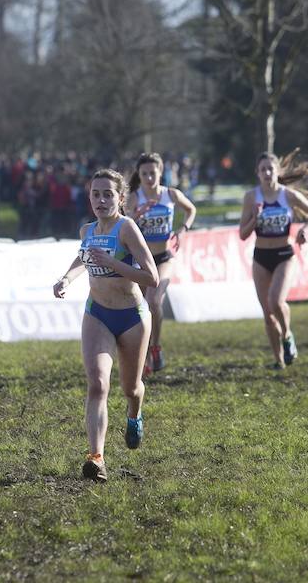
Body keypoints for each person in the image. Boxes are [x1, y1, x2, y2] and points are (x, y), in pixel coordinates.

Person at [53, 168, 159, 482]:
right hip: (97, 313)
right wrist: (65, 279)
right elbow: (83, 259)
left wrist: (112, 263)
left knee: (131, 388)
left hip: (132, 318)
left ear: (120, 198)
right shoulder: (87, 230)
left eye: (107, 194)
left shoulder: (127, 229)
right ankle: (96, 458)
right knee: (98, 384)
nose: (100, 199)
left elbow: (151, 277)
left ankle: (135, 413)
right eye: (95, 194)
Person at [238, 150, 308, 369]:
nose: (267, 173)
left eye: (270, 169)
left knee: (276, 301)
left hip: (284, 255)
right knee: (267, 314)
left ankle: (287, 336)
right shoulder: (251, 197)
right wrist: (255, 218)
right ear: (257, 173)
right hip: (261, 257)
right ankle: (278, 360)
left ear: (277, 171)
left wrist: (306, 229)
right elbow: (243, 234)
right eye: (263, 169)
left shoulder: (287, 195)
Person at [125, 152, 197, 376]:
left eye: (153, 173)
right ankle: (144, 354)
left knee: (154, 300)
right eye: (144, 174)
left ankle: (156, 346)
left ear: (161, 171)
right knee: (141, 309)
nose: (149, 178)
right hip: (142, 260)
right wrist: (138, 214)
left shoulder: (171, 194)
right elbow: (125, 224)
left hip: (165, 257)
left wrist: (183, 229)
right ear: (139, 174)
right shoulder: (135, 198)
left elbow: (191, 209)